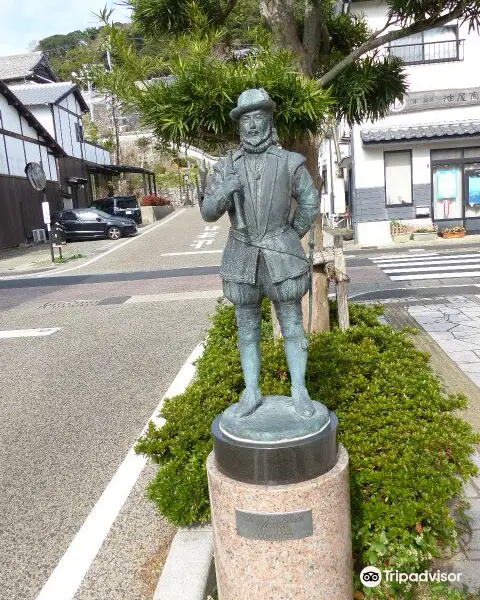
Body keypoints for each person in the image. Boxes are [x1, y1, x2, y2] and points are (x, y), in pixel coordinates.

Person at [201, 88, 320, 418]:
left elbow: (309, 201)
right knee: (247, 327)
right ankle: (251, 390)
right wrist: (226, 191)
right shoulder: (225, 168)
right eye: (246, 120)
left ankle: (299, 389)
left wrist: (289, 236)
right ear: (239, 126)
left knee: (293, 324)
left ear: (269, 122)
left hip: (281, 255)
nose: (253, 126)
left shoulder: (290, 162)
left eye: (259, 118)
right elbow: (208, 211)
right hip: (241, 255)